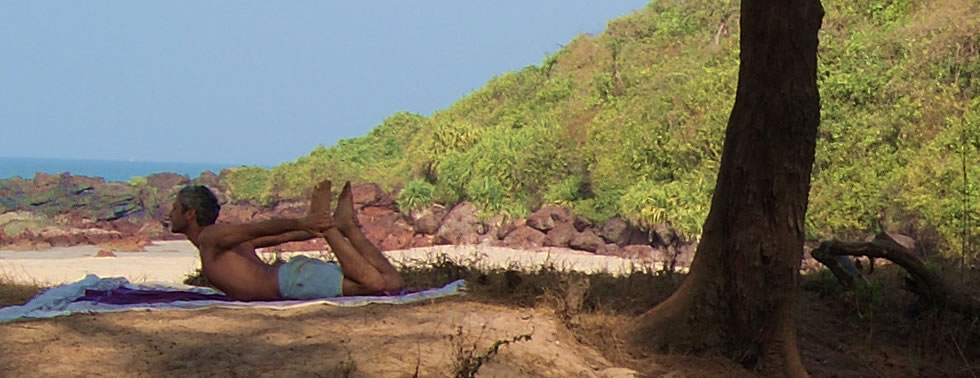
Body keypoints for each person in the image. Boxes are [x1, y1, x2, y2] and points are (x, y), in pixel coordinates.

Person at [168, 180, 403, 301]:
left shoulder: (210, 237)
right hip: (297, 276)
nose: (170, 213)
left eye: (175, 208)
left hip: (293, 282)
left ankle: (337, 227)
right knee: (391, 282)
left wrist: (305, 222)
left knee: (373, 284)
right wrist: (310, 226)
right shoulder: (224, 242)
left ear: (190, 214)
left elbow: (256, 228)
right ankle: (346, 227)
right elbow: (281, 236)